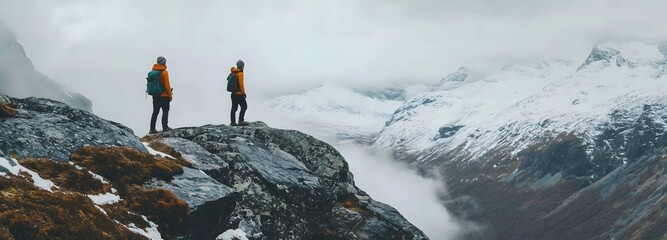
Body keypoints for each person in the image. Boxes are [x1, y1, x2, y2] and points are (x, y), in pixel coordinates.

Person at [149, 56, 173, 134]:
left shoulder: (153, 71)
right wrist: (170, 95)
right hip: (164, 96)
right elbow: (167, 85)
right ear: (163, 62)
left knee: (155, 112)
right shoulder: (164, 72)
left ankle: (152, 129)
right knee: (165, 111)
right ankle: (165, 127)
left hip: (155, 96)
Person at [230, 60, 248, 126]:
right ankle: (241, 120)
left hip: (233, 94)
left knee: (234, 108)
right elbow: (241, 85)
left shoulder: (233, 73)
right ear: (243, 66)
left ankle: (233, 122)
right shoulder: (240, 73)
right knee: (244, 106)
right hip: (239, 94)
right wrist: (243, 93)